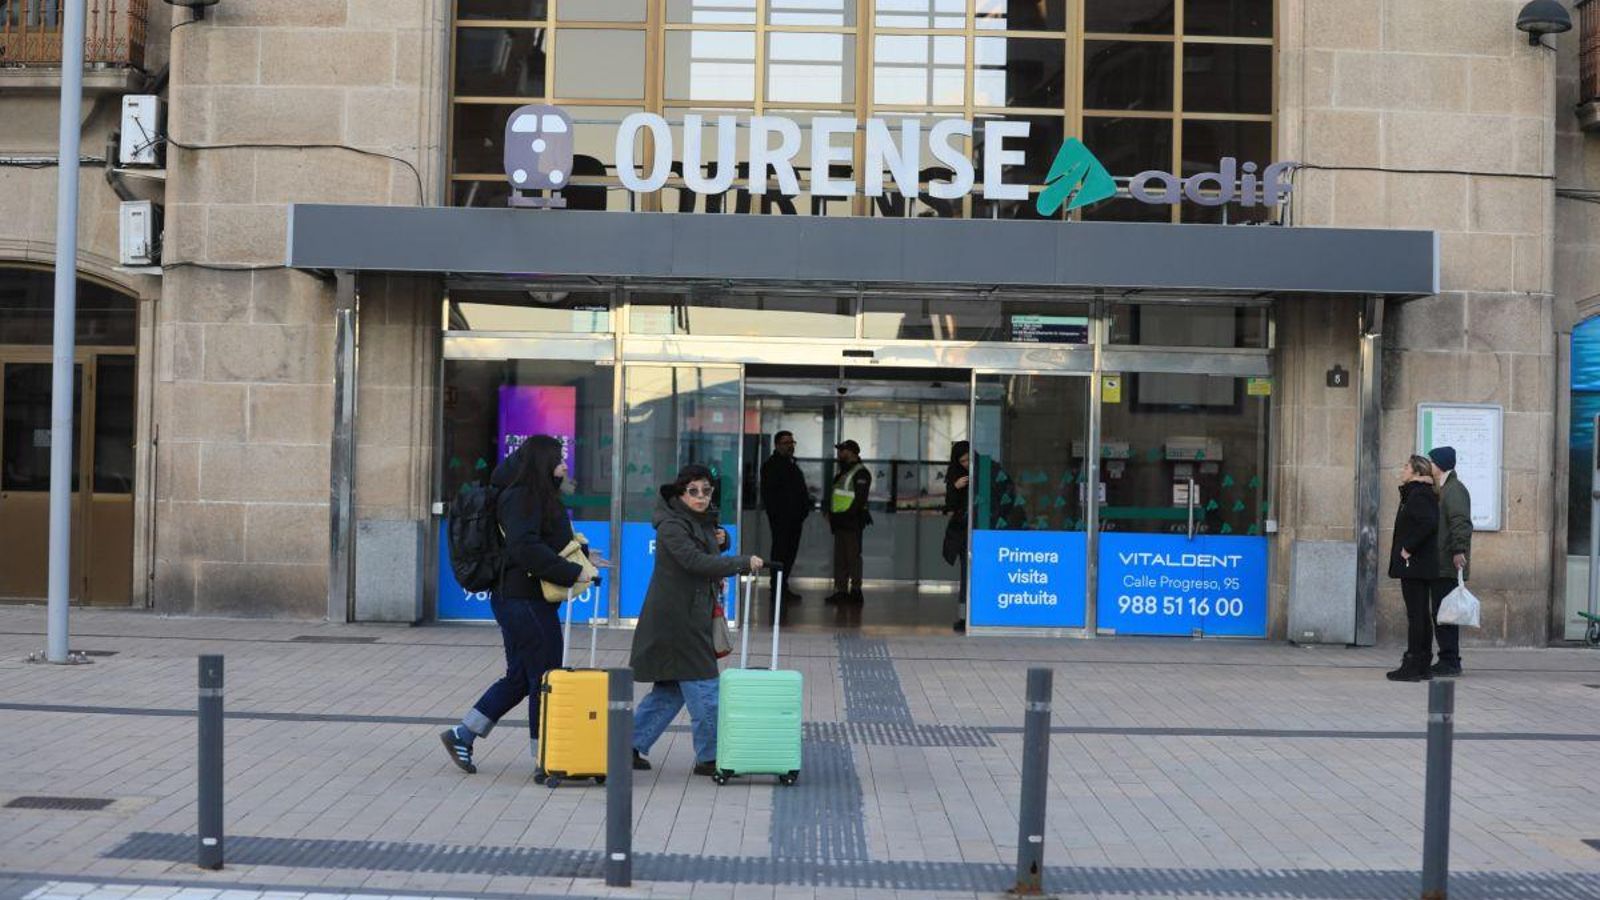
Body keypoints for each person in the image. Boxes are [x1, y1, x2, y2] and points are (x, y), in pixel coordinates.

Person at [440, 435, 604, 775]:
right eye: (559, 460)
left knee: (520, 677)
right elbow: (524, 547)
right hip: (523, 600)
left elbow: (544, 540)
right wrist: (572, 572)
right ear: (542, 463)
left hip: (522, 598)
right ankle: (546, 757)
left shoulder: (534, 496)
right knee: (546, 678)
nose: (564, 466)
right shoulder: (522, 497)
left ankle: (463, 733)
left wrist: (585, 557)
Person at [629, 464, 762, 775]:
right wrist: (741, 562)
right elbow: (693, 560)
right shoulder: (672, 525)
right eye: (693, 491)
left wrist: (723, 539)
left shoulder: (697, 520)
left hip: (687, 614)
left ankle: (627, 746)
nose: (701, 497)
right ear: (680, 494)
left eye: (706, 491)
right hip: (679, 619)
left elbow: (706, 545)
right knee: (704, 686)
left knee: (671, 689)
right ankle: (711, 757)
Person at [1385, 454, 1440, 682]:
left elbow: (1428, 523)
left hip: (1415, 564)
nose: (1403, 469)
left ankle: (1413, 663)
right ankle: (1422, 663)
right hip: (1418, 564)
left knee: (1416, 615)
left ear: (1417, 472)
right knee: (1421, 615)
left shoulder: (1418, 494)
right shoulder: (1418, 493)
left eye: (1406, 466)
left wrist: (1408, 547)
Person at [1428, 446, 1472, 678]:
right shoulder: (1444, 488)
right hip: (1441, 562)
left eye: (1432, 462)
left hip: (1448, 563)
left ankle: (1450, 661)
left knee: (1445, 614)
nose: (1429, 465)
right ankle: (1447, 658)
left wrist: (1458, 550)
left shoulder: (1454, 490)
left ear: (1440, 464)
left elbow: (1460, 522)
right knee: (1441, 612)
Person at [760, 430, 810, 607]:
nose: (790, 446)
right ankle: (777, 589)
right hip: (782, 520)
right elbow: (770, 495)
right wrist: (778, 515)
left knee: (789, 554)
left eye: (792, 442)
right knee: (781, 553)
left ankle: (783, 586)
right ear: (777, 445)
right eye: (786, 443)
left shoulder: (791, 465)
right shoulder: (772, 466)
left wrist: (803, 510)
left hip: (794, 519)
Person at [824, 439, 872, 605]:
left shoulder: (860, 472)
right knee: (840, 559)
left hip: (851, 522)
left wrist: (844, 515)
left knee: (852, 558)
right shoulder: (844, 472)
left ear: (851, 452)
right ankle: (841, 591)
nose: (839, 454)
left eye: (842, 450)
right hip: (840, 522)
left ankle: (856, 591)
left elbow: (859, 499)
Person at [942, 441, 971, 633]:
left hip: (980, 530)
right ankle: (963, 617)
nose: (967, 464)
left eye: (969, 459)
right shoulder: (954, 476)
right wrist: (955, 486)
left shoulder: (985, 470)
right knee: (965, 574)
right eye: (962, 461)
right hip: (962, 531)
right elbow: (950, 504)